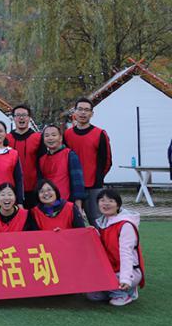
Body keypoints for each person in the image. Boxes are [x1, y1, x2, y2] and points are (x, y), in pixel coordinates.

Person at [88, 188, 145, 306]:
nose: (106, 204)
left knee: (102, 285)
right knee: (93, 295)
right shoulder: (103, 222)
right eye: (102, 200)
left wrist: (126, 279)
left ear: (118, 205)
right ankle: (123, 290)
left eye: (110, 201)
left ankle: (124, 292)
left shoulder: (125, 225)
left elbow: (126, 254)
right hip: (111, 269)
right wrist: (93, 233)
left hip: (129, 271)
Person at [64, 97, 113, 225]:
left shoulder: (100, 134)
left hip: (93, 187)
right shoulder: (67, 135)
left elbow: (107, 161)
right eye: (80, 109)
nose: (83, 113)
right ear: (74, 112)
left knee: (97, 222)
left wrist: (98, 179)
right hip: (72, 186)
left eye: (86, 110)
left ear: (92, 113)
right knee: (72, 222)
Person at [38, 124, 85, 211]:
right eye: (47, 136)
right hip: (47, 203)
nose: (50, 138)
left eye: (54, 135)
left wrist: (78, 204)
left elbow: (77, 181)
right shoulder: (42, 159)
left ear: (60, 138)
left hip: (66, 202)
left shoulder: (70, 154)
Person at [6, 104, 42, 208]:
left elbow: (43, 163)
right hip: (10, 190)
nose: (21, 118)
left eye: (24, 115)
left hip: (33, 189)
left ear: (29, 118)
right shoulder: (6, 139)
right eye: (18, 115)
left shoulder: (38, 138)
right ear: (13, 118)